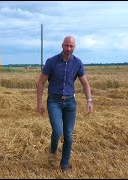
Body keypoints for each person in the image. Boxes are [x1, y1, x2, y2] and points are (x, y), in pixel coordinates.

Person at [36, 36, 93, 172]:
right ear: (62, 45)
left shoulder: (78, 63)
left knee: (68, 134)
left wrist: (89, 100)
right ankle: (53, 149)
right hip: (54, 101)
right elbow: (41, 82)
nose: (68, 49)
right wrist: (39, 103)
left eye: (71, 46)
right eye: (66, 46)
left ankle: (64, 165)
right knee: (57, 130)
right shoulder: (52, 62)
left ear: (74, 47)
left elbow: (85, 83)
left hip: (70, 103)